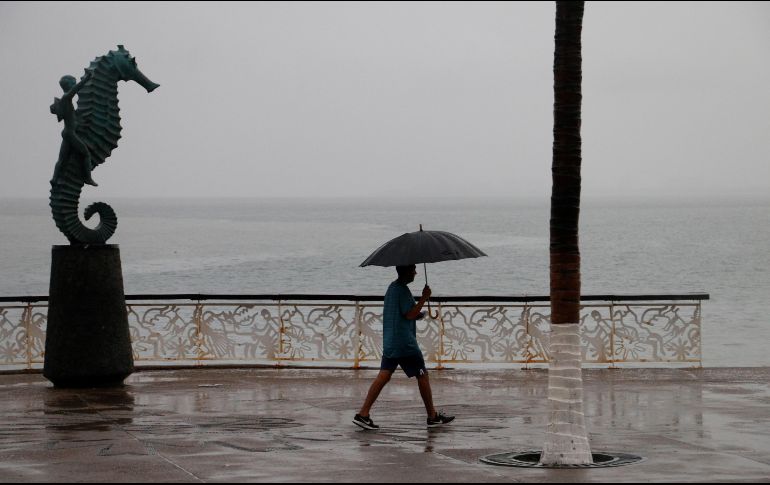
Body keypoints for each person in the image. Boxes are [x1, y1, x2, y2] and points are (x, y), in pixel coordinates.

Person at [353, 264, 455, 429]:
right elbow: (409, 314)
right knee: (422, 374)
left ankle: (363, 414)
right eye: (413, 269)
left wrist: (419, 313)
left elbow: (404, 313)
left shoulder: (392, 288)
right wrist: (424, 297)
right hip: (404, 343)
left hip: (391, 341)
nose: (416, 272)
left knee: (384, 375)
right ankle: (432, 416)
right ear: (406, 271)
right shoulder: (402, 290)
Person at [50, 71, 98, 187]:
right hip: (70, 134)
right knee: (86, 154)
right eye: (74, 83)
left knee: (62, 159)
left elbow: (72, 117)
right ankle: (88, 177)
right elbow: (76, 89)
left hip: (67, 132)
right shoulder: (66, 97)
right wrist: (86, 79)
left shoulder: (65, 100)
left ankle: (54, 179)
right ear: (69, 85)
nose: (75, 84)